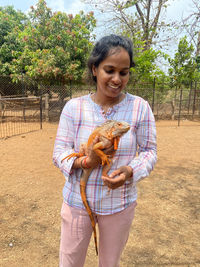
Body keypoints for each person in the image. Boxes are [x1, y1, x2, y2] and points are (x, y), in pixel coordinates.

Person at [53, 34, 157, 267]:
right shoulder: (74, 108)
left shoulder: (140, 107)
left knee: (110, 263)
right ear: (94, 69)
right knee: (69, 262)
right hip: (77, 203)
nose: (117, 79)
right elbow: (59, 152)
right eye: (109, 70)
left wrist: (130, 170)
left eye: (124, 72)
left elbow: (150, 151)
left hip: (119, 204)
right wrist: (84, 162)